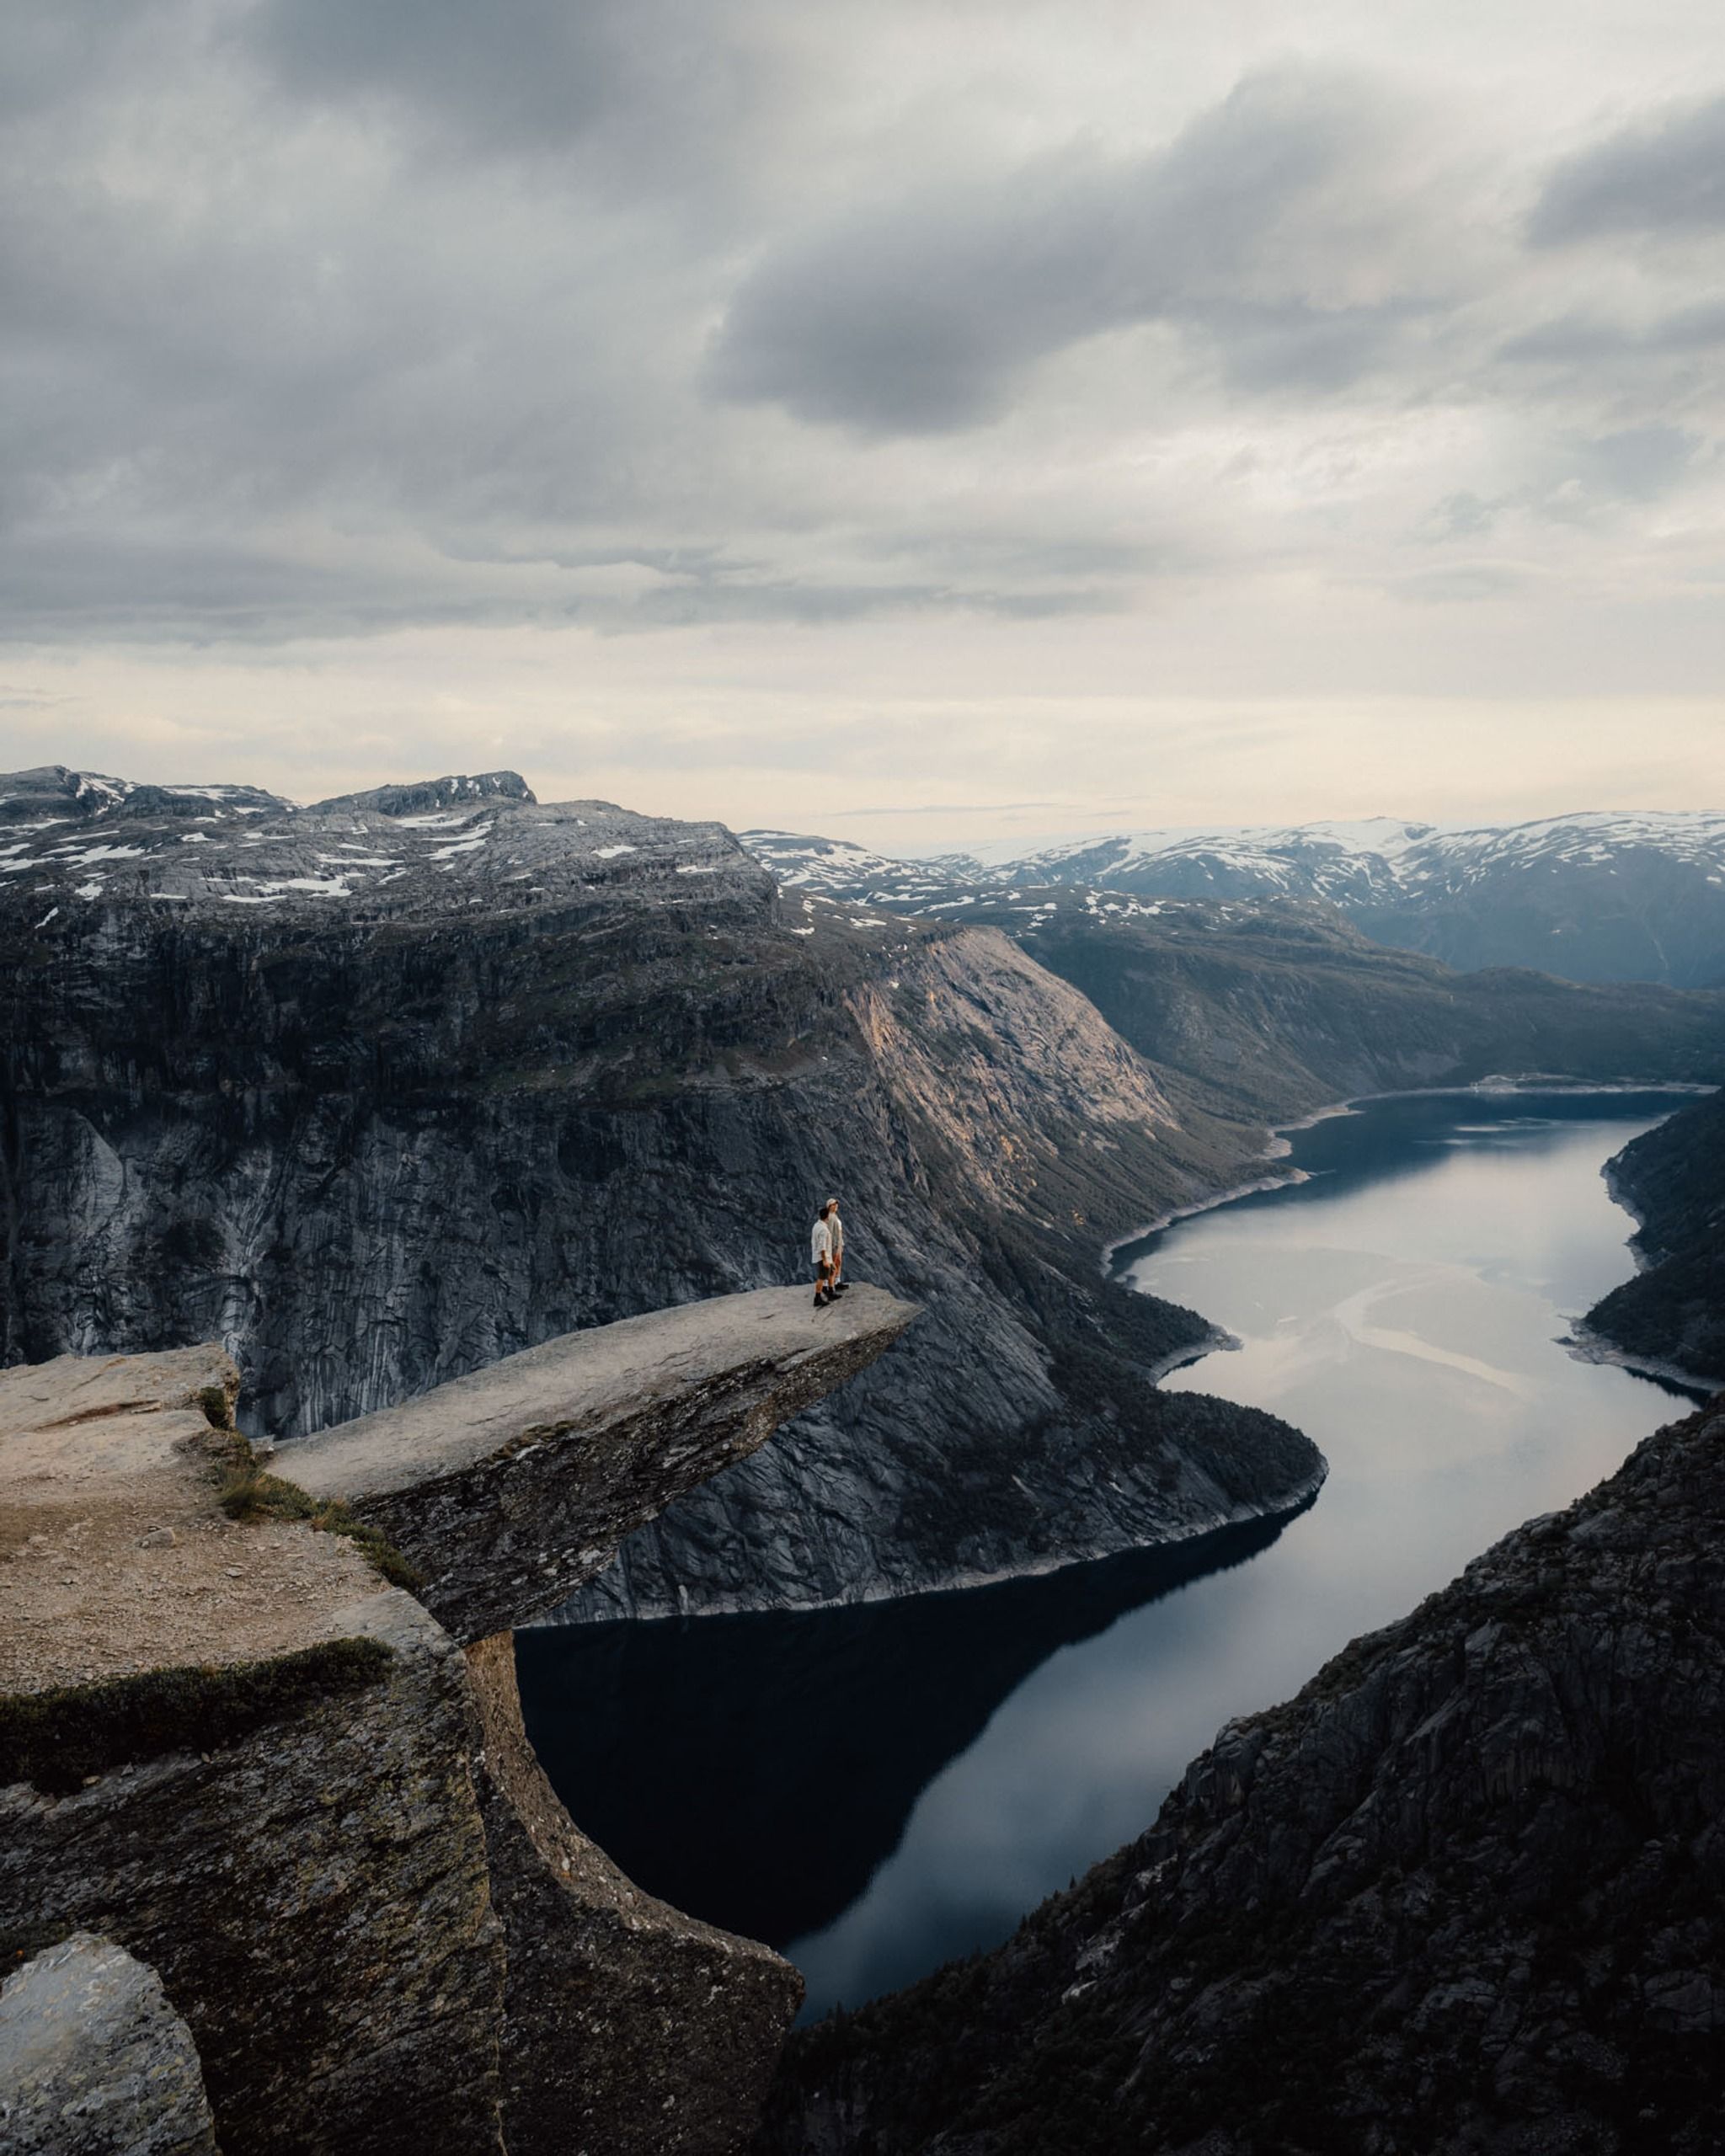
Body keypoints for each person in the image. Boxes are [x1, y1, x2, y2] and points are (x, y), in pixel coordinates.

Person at [810, 1199, 837, 1308]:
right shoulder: (823, 1230)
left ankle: (831, 1292)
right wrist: (825, 1260)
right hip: (823, 1257)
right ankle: (817, 1298)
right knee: (822, 1277)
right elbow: (822, 1246)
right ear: (827, 1217)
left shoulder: (817, 1225)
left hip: (825, 1256)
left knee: (832, 1271)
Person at [828, 1196, 848, 1294]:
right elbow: (830, 1232)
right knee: (834, 1263)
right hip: (835, 1244)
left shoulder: (835, 1216)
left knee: (838, 1262)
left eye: (836, 1204)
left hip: (839, 1243)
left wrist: (841, 1243)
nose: (836, 1206)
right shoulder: (830, 1217)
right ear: (829, 1206)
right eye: (833, 1204)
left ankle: (837, 1281)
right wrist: (833, 1244)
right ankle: (832, 1285)